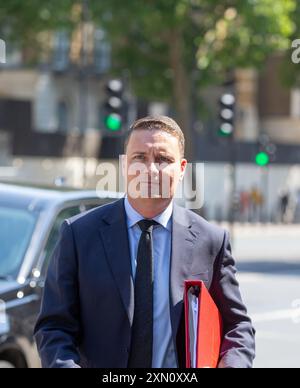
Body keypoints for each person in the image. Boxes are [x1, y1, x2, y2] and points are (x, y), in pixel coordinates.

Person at [34, 115, 255, 368]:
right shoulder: (78, 234)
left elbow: (237, 327)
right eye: (140, 158)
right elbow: (53, 327)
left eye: (163, 160)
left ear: (182, 169)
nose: (150, 170)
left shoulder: (211, 240)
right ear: (125, 164)